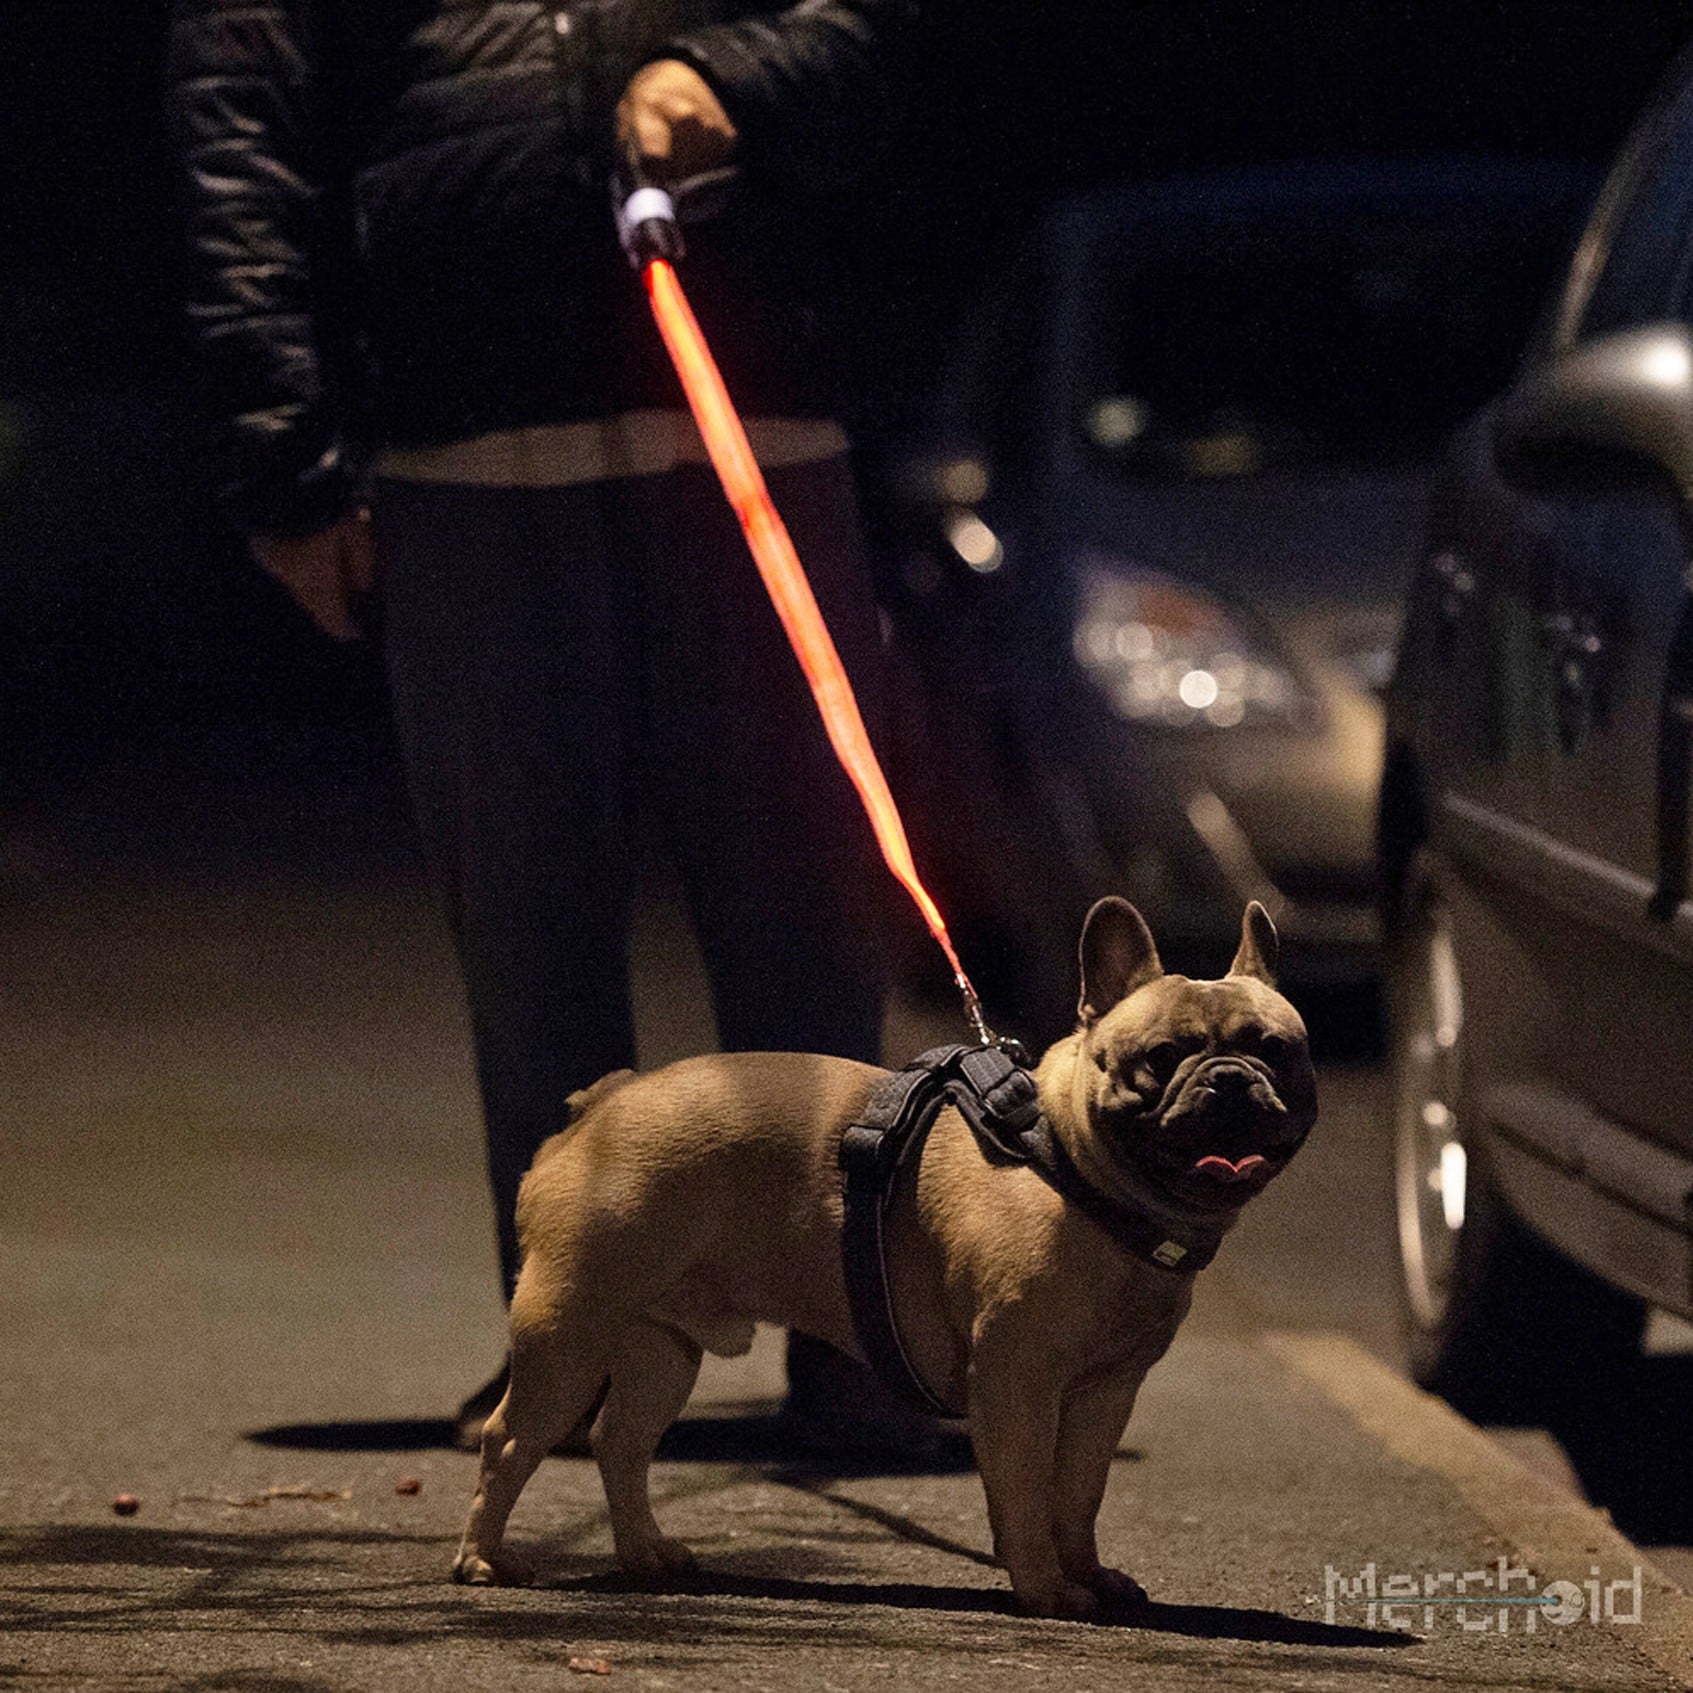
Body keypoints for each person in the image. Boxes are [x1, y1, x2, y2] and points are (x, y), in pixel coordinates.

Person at [165, 0, 942, 1457]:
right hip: (466, 444)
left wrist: (723, 73)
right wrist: (281, 457)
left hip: (759, 411)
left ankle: (860, 1328)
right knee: (527, 938)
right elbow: (240, 139)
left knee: (809, 922)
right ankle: (574, 1338)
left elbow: (878, 36)